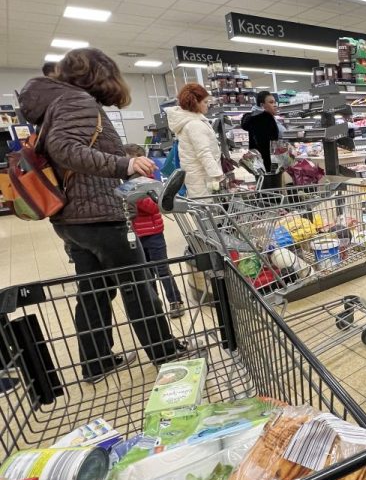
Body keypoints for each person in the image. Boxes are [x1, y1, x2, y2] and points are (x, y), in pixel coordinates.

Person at [18, 48, 186, 383]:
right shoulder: (76, 101)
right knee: (138, 286)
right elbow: (66, 149)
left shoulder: (55, 104)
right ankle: (167, 355)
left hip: (74, 218)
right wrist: (125, 164)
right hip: (100, 217)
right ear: (100, 74)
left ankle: (96, 362)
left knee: (93, 292)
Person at [123, 144, 186, 319]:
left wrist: (134, 198)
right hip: (136, 235)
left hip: (153, 233)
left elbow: (154, 207)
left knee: (162, 269)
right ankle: (154, 304)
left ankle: (175, 301)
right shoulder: (125, 184)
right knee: (147, 273)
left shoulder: (150, 183)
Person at [166, 84, 225, 199]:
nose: (208, 105)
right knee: (205, 206)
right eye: (205, 102)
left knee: (200, 206)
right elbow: (203, 152)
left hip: (196, 176)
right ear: (195, 102)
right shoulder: (194, 124)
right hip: (202, 179)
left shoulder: (190, 121)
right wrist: (218, 175)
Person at [241, 90, 280, 166]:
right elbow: (274, 139)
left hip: (259, 161)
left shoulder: (255, 117)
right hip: (267, 162)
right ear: (262, 105)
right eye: (271, 102)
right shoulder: (264, 120)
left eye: (275, 102)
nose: (275, 105)